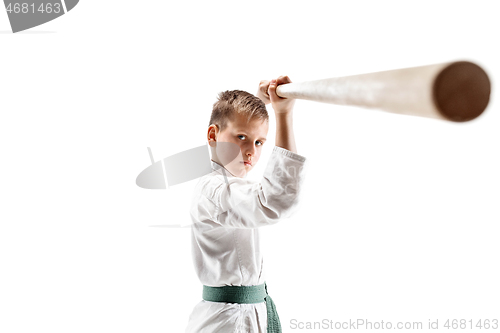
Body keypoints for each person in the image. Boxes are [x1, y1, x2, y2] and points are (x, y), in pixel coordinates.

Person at [185, 76, 308, 333]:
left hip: (242, 315)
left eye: (259, 142)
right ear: (213, 135)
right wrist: (283, 115)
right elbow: (276, 201)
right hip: (229, 322)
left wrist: (262, 102)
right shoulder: (215, 190)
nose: (251, 151)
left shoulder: (228, 186)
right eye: (241, 137)